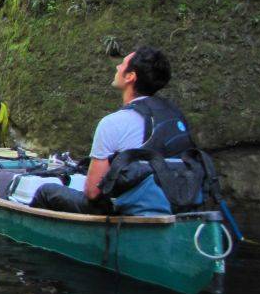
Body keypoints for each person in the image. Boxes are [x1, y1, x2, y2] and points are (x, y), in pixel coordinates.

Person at [30, 46, 199, 215]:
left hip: (128, 210)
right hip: (174, 203)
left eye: (123, 64)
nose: (117, 67)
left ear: (130, 77)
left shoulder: (113, 123)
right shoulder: (175, 116)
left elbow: (92, 192)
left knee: (45, 192)